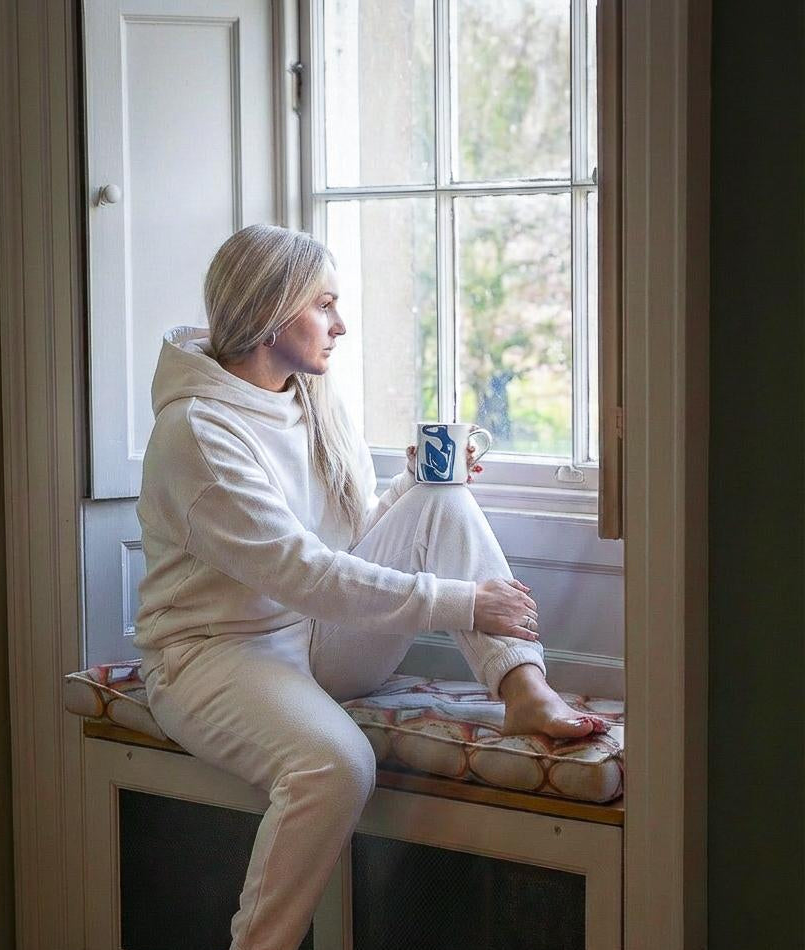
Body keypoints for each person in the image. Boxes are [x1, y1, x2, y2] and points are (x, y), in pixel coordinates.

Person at [133, 223, 608, 950]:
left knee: (444, 497)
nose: (341, 325)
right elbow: (300, 571)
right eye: (323, 304)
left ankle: (523, 687)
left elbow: (345, 544)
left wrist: (415, 486)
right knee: (335, 764)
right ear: (270, 311)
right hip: (215, 655)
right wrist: (464, 601)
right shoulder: (196, 433)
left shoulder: (312, 399)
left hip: (316, 639)